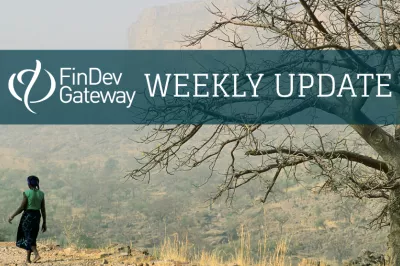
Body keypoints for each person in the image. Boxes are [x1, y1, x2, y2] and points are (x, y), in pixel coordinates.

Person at [8, 176, 47, 263]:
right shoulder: (41, 194)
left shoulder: (26, 193)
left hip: (28, 216)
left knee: (27, 236)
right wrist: (44, 222)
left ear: (29, 184)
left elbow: (22, 207)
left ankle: (36, 254)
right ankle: (28, 259)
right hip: (37, 216)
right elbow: (43, 209)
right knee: (32, 236)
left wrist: (12, 216)